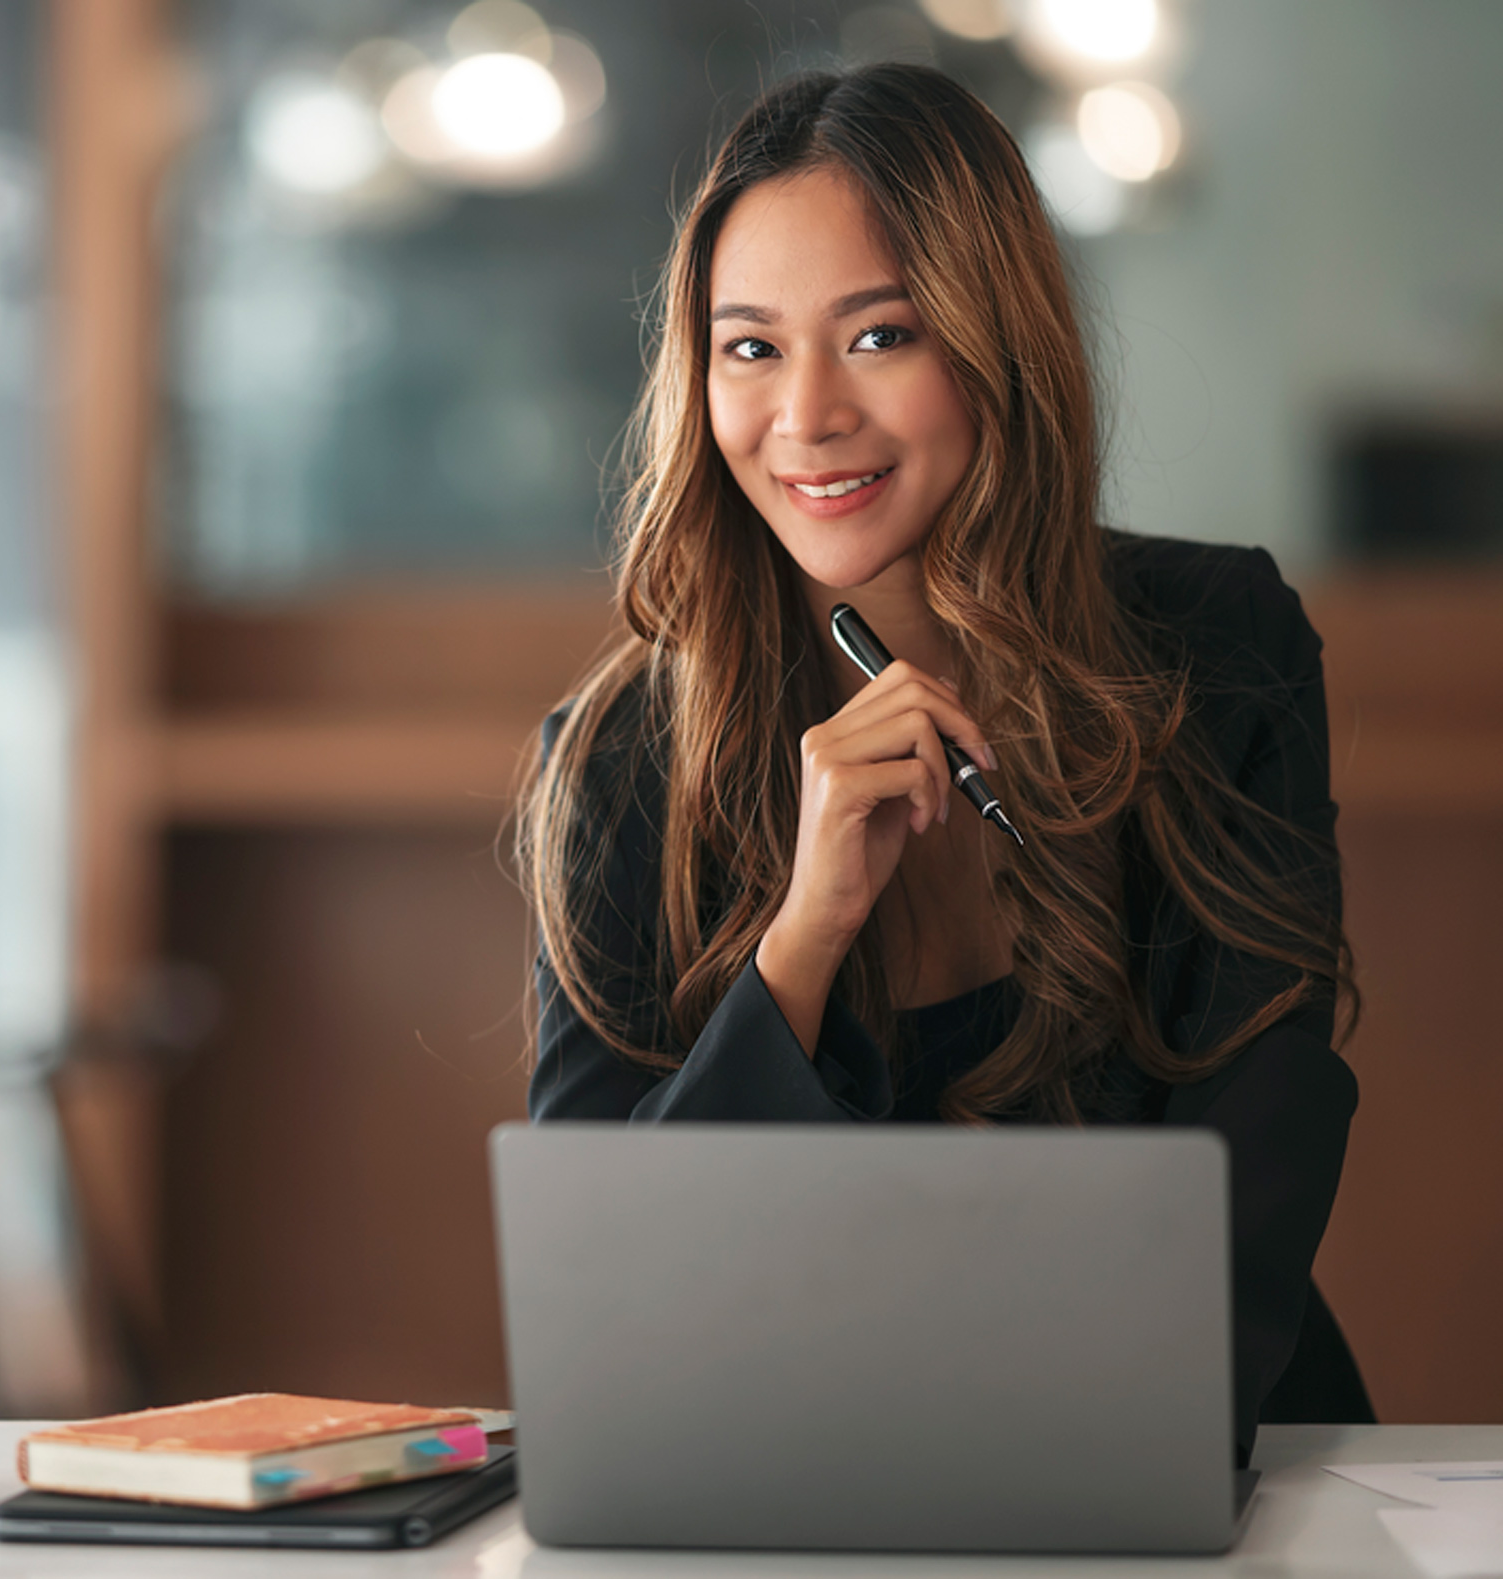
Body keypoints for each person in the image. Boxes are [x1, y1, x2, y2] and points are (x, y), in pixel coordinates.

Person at [516, 63, 1371, 1466]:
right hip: (785, 1486)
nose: (806, 416)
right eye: (750, 348)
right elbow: (607, 1300)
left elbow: (1264, 1130)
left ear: (997, 344)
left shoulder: (1216, 646)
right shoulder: (618, 756)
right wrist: (806, 935)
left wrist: (1106, 1452)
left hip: (1176, 1452)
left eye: (879, 335)